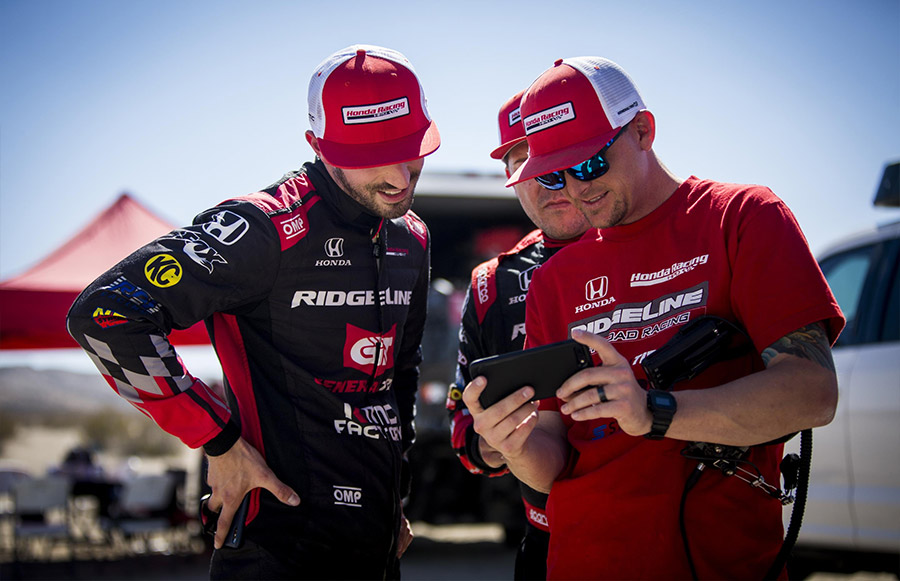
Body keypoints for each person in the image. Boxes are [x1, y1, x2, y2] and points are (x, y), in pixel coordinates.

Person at [462, 57, 845, 580]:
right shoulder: (555, 279)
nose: (576, 188)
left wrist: (654, 411)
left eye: (591, 163)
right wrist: (516, 442)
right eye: (553, 174)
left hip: (717, 563)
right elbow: (553, 465)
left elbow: (813, 392)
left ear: (643, 130)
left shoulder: (743, 218)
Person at [67, 44, 438, 580]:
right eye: (368, 158)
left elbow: (399, 376)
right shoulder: (265, 228)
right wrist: (216, 438)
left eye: (410, 149)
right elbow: (106, 314)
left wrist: (395, 495)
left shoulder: (415, 238)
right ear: (318, 146)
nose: (400, 176)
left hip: (376, 549)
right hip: (278, 550)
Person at [446, 91, 590, 579]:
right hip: (548, 538)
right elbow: (462, 420)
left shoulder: (649, 247)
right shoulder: (493, 281)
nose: (541, 178)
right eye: (520, 162)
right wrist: (498, 442)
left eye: (551, 156)